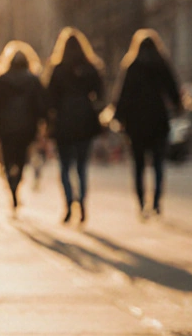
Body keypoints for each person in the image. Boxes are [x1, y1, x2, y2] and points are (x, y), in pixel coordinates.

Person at [114, 29, 181, 220]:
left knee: (139, 165)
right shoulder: (161, 64)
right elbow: (173, 88)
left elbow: (123, 94)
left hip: (136, 124)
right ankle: (157, 201)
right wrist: (177, 105)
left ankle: (142, 202)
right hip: (158, 120)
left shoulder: (132, 65)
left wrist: (119, 117)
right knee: (159, 163)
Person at [46, 27, 105, 224]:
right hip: (85, 121)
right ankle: (83, 205)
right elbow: (100, 93)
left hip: (63, 122)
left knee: (64, 167)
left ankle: (69, 203)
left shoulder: (58, 69)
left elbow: (50, 99)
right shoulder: (90, 67)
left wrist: (50, 120)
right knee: (81, 167)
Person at [0, 41, 46, 210]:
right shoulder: (33, 80)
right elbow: (41, 105)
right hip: (27, 128)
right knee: (21, 158)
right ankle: (17, 182)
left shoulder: (2, 80)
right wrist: (42, 124)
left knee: (7, 159)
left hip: (6, 128)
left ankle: (12, 186)